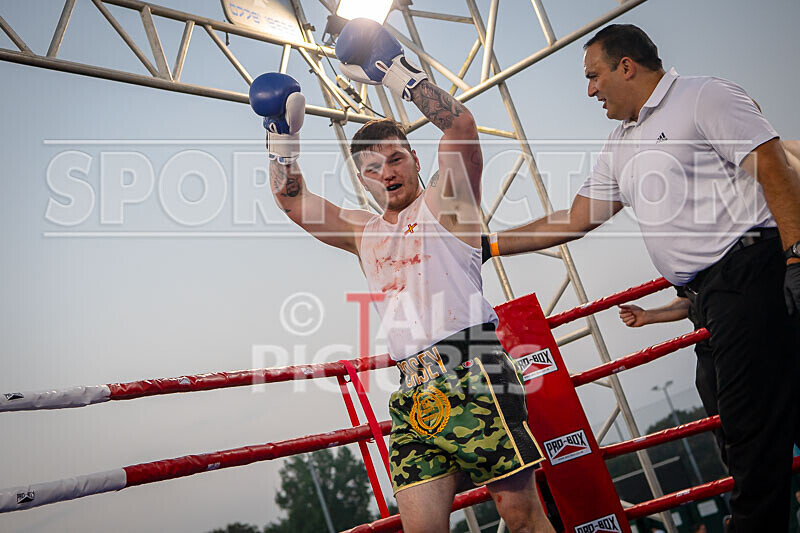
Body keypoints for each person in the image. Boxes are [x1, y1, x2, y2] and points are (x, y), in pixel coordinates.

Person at [481, 24, 800, 533]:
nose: (591, 90)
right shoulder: (620, 144)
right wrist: (489, 243)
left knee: (750, 428)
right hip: (706, 299)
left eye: (594, 76)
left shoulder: (703, 96)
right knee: (737, 422)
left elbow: (772, 165)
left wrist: (796, 257)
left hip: (751, 272)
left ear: (626, 66)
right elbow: (575, 218)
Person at [249, 18, 553, 533]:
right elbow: (292, 200)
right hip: (414, 389)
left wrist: (397, 75)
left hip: (476, 366)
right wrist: (281, 137)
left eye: (395, 159)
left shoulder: (447, 204)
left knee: (521, 518)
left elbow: (461, 127)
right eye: (373, 168)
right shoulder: (362, 231)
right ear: (362, 179)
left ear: (414, 159)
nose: (387, 172)